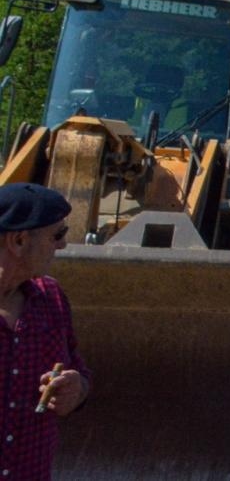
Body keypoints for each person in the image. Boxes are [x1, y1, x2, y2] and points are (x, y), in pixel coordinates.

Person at [0, 183, 90, 481]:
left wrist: (76, 390)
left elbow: (78, 370)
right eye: (57, 235)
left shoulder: (50, 298)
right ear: (19, 240)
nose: (62, 245)